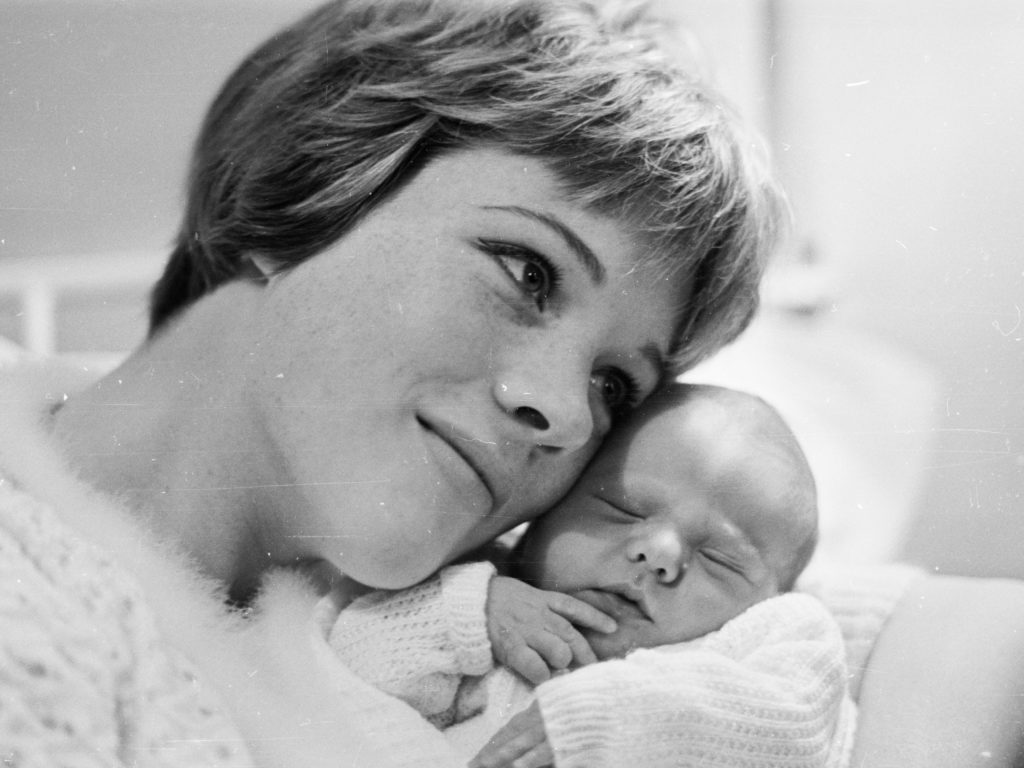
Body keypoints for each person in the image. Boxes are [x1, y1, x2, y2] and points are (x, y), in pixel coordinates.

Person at [0, 1, 787, 766]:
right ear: (307, 189)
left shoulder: (428, 658)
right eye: (528, 272)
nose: (564, 416)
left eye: (612, 384)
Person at [324, 383, 854, 768]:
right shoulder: (482, 582)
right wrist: (471, 614)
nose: (659, 554)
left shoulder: (776, 637)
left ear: (772, 598)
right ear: (540, 519)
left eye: (720, 559)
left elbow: (796, 727)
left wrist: (623, 720)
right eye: (621, 510)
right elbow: (353, 668)